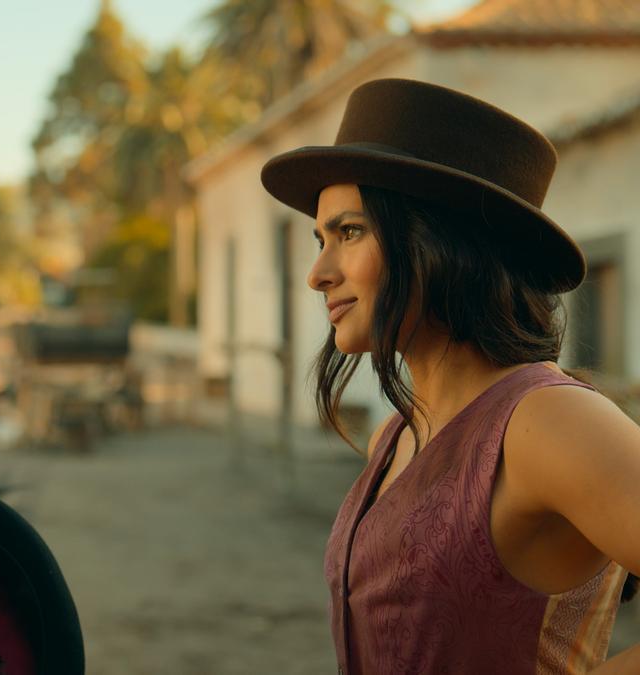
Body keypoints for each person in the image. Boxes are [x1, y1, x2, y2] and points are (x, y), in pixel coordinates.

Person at [261, 78, 640, 673]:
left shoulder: (548, 420)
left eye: (350, 232)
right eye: (320, 239)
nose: (318, 273)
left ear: (438, 241)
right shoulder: (396, 434)